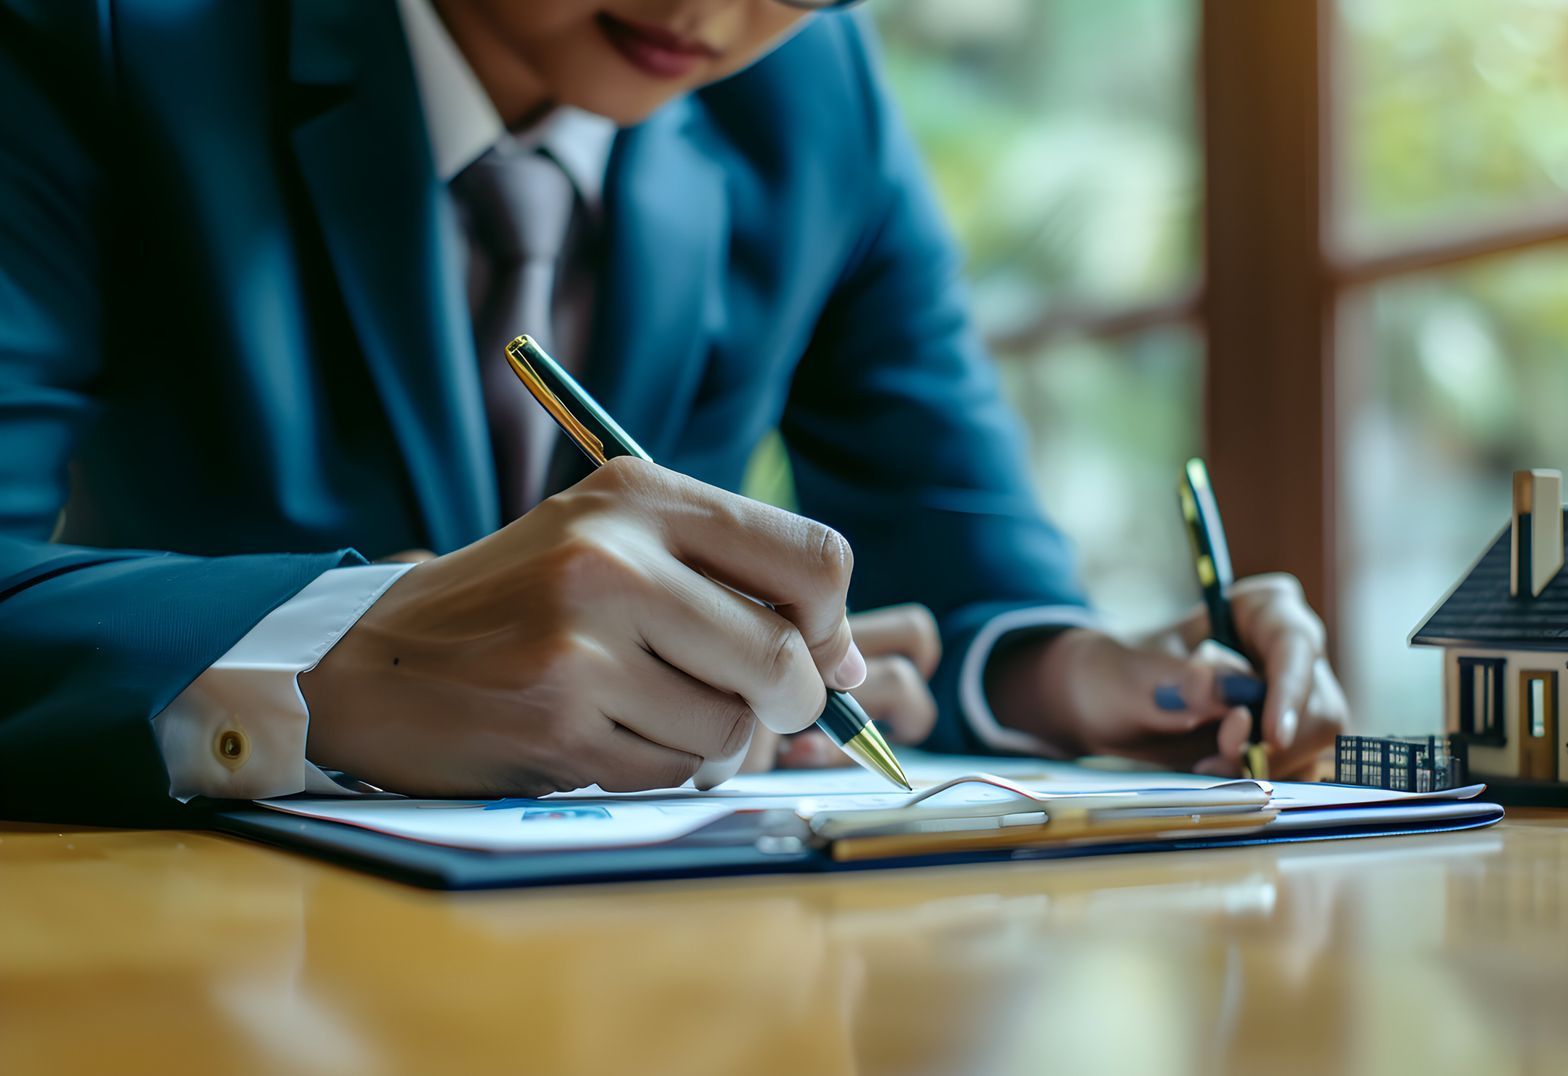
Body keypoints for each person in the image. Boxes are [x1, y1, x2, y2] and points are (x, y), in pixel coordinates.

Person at [0, 0, 1347, 825]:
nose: (711, 7)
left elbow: (956, 540)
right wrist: (342, 658)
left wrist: (1071, 675)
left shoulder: (817, 99)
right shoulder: (107, 27)